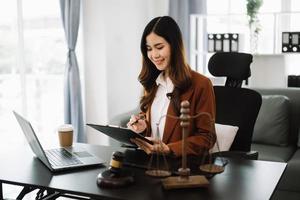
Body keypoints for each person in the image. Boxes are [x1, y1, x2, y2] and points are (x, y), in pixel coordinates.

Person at [127, 16, 216, 157]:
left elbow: (207, 138)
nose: (154, 55)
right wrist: (143, 126)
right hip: (151, 162)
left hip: (180, 168)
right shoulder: (153, 82)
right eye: (149, 49)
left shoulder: (201, 84)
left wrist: (169, 149)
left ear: (174, 46)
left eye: (159, 47)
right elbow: (157, 125)